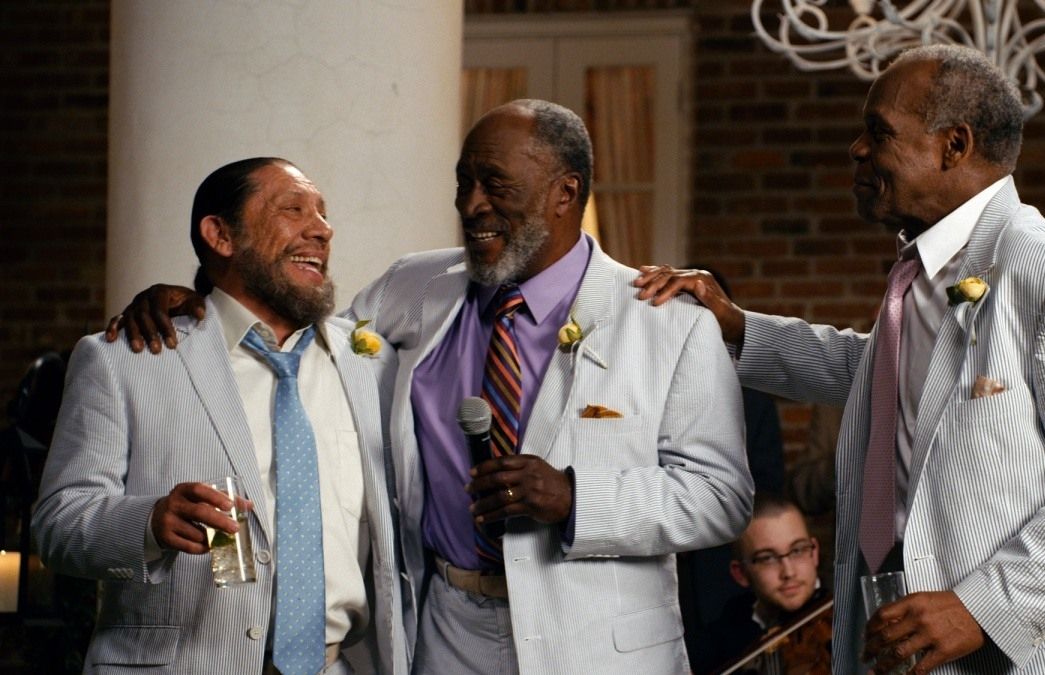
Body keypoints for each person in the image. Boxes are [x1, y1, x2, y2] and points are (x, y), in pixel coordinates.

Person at [107, 100, 754, 673]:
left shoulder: (668, 321)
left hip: (600, 645)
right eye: (463, 182)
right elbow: (293, 340)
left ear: (565, 193)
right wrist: (199, 295)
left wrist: (575, 497)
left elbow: (721, 496)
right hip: (445, 631)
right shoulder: (413, 287)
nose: (471, 205)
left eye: (495, 184)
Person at [636, 44, 1045, 673]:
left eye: (878, 133)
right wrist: (737, 327)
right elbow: (879, 375)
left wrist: (986, 605)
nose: (857, 149)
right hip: (885, 634)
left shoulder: (1031, 259)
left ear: (954, 146)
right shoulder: (924, 269)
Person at [32, 158, 407, 674]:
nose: (322, 229)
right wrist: (149, 522)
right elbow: (58, 523)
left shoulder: (372, 363)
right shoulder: (124, 359)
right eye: (293, 210)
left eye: (322, 214)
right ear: (221, 236)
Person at [693, 493, 830, 675]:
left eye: (797, 550)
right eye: (767, 558)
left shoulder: (844, 617)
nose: (788, 572)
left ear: (814, 553)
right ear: (740, 573)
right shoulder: (724, 634)